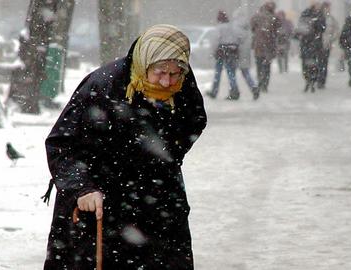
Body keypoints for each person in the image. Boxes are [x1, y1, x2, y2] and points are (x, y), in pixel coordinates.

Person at [42, 24, 207, 269]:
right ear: (145, 62)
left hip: (157, 201)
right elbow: (62, 143)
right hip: (100, 201)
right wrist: (82, 188)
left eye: (174, 74)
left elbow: (195, 120)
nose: (166, 81)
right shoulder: (103, 86)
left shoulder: (181, 83)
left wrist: (162, 158)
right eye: (160, 72)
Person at [206, 10, 243, 100]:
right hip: (232, 50)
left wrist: (214, 51)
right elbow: (239, 38)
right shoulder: (232, 27)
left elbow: (216, 40)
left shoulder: (219, 27)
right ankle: (234, 91)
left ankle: (214, 91)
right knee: (231, 72)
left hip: (222, 51)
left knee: (218, 72)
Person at [294, 2, 326, 93]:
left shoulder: (320, 15)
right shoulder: (306, 14)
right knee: (305, 64)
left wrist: (316, 23)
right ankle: (308, 80)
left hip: (315, 44)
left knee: (314, 65)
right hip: (306, 44)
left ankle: (312, 81)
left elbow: (323, 28)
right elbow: (300, 28)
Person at [250, 1, 282, 93]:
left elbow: (252, 27)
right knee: (267, 66)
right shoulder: (274, 17)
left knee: (259, 65)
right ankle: (265, 84)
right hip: (269, 45)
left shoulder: (257, 16)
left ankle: (260, 81)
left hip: (258, 45)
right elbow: (278, 28)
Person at [317, 1, 339, 89]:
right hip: (318, 44)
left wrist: (331, 39)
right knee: (318, 62)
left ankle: (322, 80)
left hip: (327, 44)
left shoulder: (331, 19)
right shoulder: (318, 18)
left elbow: (336, 30)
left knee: (324, 63)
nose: (327, 9)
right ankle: (318, 78)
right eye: (326, 7)